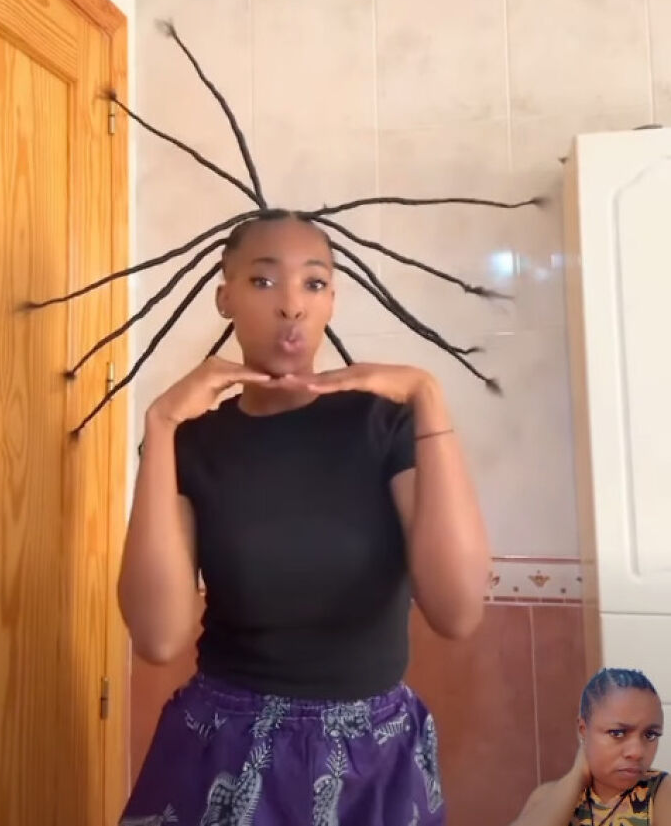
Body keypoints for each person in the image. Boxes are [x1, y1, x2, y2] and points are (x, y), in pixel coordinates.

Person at [117, 212, 491, 826]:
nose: (291, 305)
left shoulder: (385, 425)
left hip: (374, 759)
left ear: (332, 302)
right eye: (264, 283)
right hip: (221, 750)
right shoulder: (192, 444)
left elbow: (458, 611)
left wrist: (429, 396)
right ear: (225, 298)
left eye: (313, 284)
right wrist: (158, 426)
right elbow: (158, 639)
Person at [509, 668, 669, 826]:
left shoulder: (661, 792)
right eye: (618, 733)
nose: (637, 752)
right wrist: (577, 775)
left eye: (650, 735)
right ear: (584, 730)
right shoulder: (546, 797)